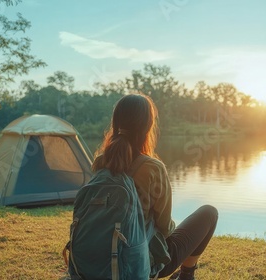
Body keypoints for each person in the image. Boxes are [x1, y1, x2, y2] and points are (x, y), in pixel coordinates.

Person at [92, 93, 218, 280]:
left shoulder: (100, 162)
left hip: (100, 259)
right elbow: (165, 227)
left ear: (115, 122)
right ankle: (186, 275)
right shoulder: (152, 168)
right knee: (209, 213)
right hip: (140, 262)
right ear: (148, 126)